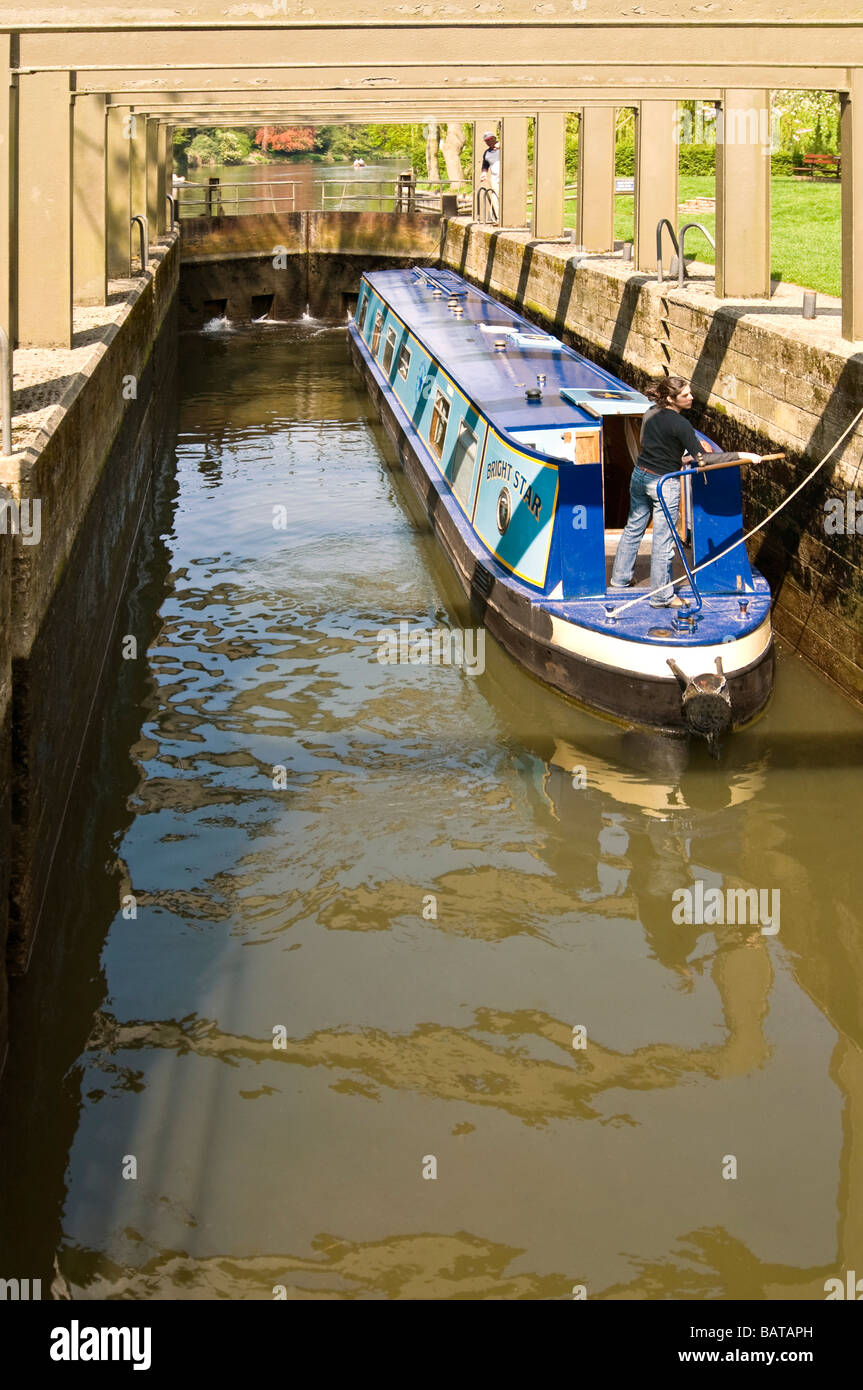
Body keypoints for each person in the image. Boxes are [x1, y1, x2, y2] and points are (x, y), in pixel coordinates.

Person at [609, 376, 713, 608]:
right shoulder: (681, 424)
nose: (691, 398)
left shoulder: (649, 413)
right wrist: (745, 457)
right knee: (663, 540)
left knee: (633, 527)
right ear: (671, 398)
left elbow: (654, 446)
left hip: (640, 475)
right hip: (663, 483)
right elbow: (702, 459)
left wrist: (683, 457)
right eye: (685, 395)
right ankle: (662, 596)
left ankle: (620, 579)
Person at [479, 131, 500, 222]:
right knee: (495, 197)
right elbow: (485, 165)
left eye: (490, 139)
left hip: (506, 177)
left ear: (494, 138)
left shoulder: (503, 147)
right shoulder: (487, 153)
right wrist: (484, 173)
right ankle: (498, 218)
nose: (488, 142)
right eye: (486, 141)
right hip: (495, 178)